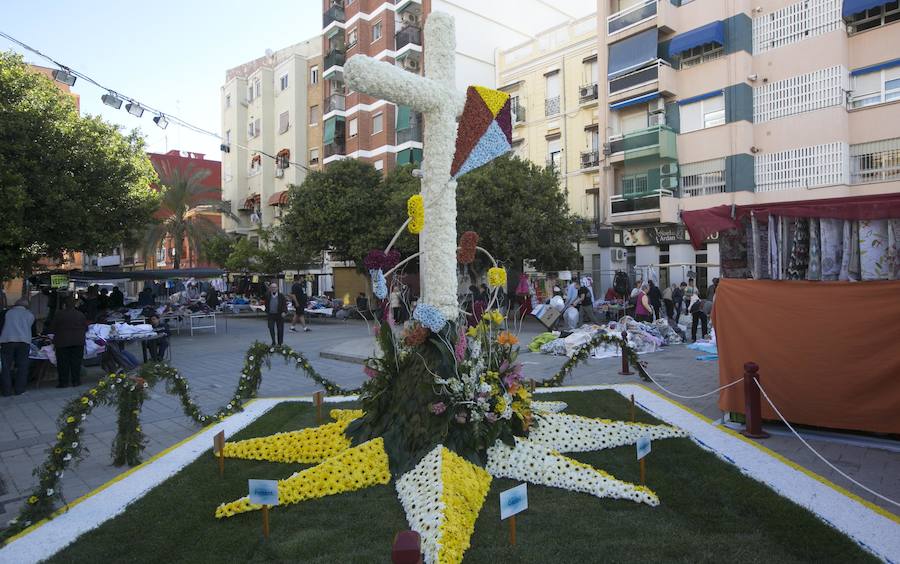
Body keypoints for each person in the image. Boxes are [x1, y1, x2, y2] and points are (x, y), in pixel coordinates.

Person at [51, 296, 88, 388]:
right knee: (76, 362)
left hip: (62, 341)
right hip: (78, 341)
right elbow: (85, 327)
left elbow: (53, 327)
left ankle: (64, 382)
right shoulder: (80, 314)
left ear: (64, 305)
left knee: (63, 363)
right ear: (74, 304)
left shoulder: (59, 314)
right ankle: (76, 381)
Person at [0, 298, 35, 396]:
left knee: (5, 366)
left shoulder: (6, 313)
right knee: (22, 366)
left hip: (7, 340)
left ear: (15, 305)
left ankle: (6, 391)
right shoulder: (30, 315)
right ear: (27, 306)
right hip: (24, 341)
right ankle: (20, 389)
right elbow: (33, 329)